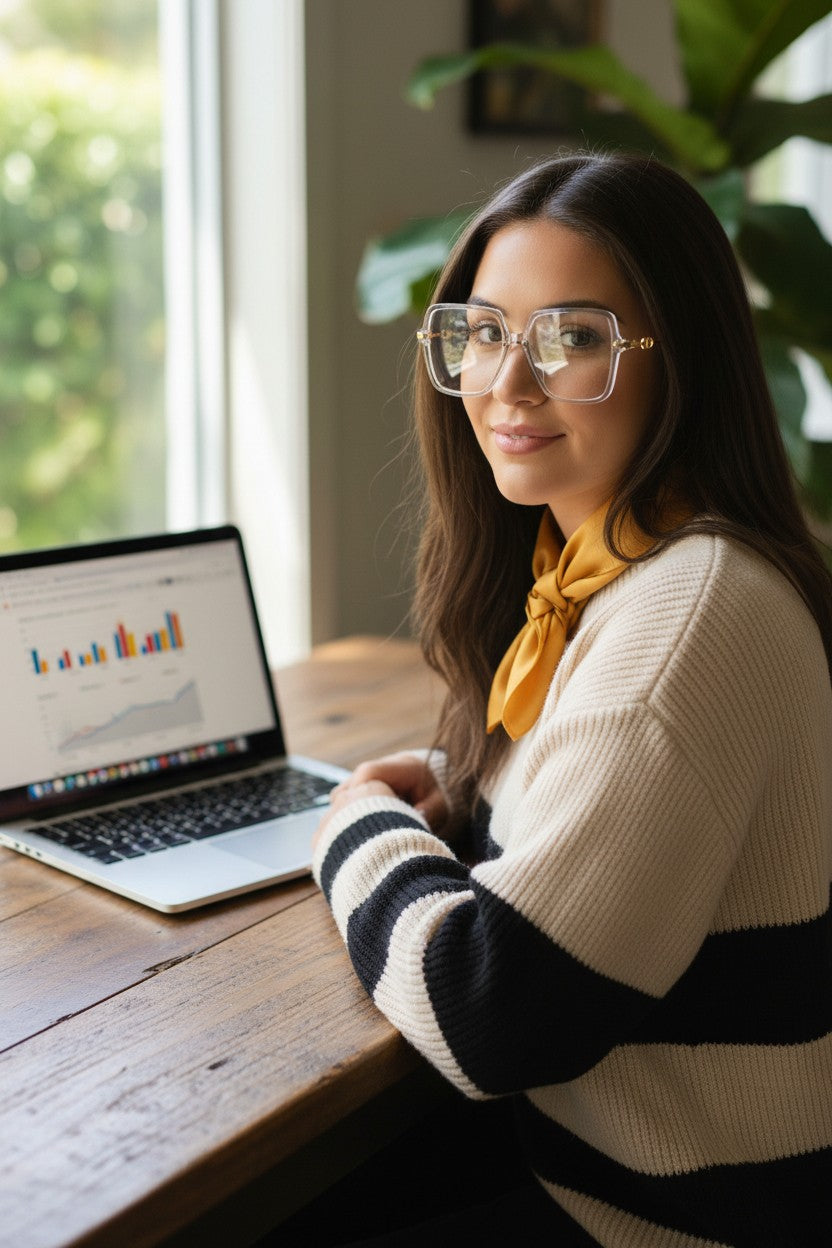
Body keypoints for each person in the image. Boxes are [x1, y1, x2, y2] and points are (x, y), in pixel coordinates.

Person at [311, 151, 832, 1245]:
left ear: (675, 358)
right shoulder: (617, 568)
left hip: (658, 1220)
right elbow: (623, 799)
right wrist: (463, 787)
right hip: (603, 1173)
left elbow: (486, 1017)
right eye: (484, 332)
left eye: (574, 337)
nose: (507, 382)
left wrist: (358, 819)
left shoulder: (691, 613)